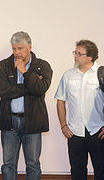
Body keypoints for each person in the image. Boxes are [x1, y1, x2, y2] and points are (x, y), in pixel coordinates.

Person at [0, 31, 53, 180]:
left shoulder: (42, 65)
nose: (16, 52)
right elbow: (4, 92)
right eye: (14, 48)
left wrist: (25, 73)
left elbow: (40, 89)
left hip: (33, 121)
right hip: (10, 121)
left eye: (20, 48)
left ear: (30, 47)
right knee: (8, 164)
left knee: (33, 164)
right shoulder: (4, 65)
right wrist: (30, 87)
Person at [55, 40, 104, 180]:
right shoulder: (68, 75)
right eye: (75, 52)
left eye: (79, 53)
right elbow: (60, 100)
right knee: (77, 172)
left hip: (97, 131)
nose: (75, 56)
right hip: (74, 132)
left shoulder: (101, 73)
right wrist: (63, 125)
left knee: (101, 171)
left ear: (90, 57)